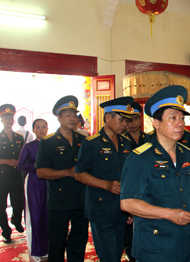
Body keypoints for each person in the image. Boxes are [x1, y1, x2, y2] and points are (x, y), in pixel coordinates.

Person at [120, 85, 190, 262]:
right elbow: (127, 203)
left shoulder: (187, 154)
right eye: (173, 118)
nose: (180, 123)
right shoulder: (140, 158)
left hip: (185, 242)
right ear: (156, 123)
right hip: (155, 245)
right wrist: (169, 213)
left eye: (182, 118)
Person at [74, 97, 134, 262]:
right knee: (108, 255)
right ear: (108, 118)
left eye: (126, 121)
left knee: (116, 252)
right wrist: (106, 185)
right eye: (121, 119)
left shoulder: (126, 143)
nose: (125, 124)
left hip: (121, 209)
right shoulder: (91, 144)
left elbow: (128, 175)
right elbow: (79, 174)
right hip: (100, 208)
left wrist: (130, 209)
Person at [35, 95, 88, 262]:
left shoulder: (83, 140)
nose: (72, 119)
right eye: (68, 115)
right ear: (58, 118)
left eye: (74, 115)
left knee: (79, 239)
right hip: (59, 200)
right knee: (57, 240)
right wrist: (67, 172)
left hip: (80, 197)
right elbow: (41, 172)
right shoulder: (48, 142)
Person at [0, 104, 25, 244]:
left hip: (17, 176)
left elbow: (23, 155)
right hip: (2, 176)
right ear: (1, 120)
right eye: (6, 118)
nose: (9, 120)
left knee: (19, 203)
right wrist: (7, 161)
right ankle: (6, 232)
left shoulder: (19, 137)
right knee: (1, 206)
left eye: (11, 117)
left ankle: (16, 219)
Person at [17, 118, 49, 261]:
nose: (41, 130)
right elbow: (20, 165)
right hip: (34, 182)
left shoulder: (51, 145)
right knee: (35, 217)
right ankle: (36, 251)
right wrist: (35, 166)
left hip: (50, 183)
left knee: (49, 216)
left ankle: (48, 249)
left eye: (44, 127)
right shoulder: (28, 147)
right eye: (38, 127)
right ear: (34, 130)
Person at [123, 101, 146, 262]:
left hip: (147, 190)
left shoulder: (150, 138)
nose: (133, 123)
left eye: (136, 119)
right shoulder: (121, 140)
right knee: (128, 233)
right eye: (129, 120)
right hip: (129, 190)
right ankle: (131, 256)